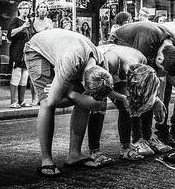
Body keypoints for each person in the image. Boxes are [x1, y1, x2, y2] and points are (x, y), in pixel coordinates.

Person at [24, 28, 120, 177]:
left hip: (68, 48)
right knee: (46, 102)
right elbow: (54, 100)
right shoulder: (70, 62)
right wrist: (77, 95)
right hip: (38, 49)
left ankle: (74, 155)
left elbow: (96, 104)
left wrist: (70, 92)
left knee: (81, 100)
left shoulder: (102, 66)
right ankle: (46, 160)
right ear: (82, 80)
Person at [108, 21, 175, 148]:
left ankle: (147, 137)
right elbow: (138, 81)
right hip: (118, 47)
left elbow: (161, 77)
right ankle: (137, 140)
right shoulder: (146, 40)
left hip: (140, 55)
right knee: (135, 96)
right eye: (162, 69)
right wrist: (154, 98)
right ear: (160, 59)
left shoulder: (174, 45)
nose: (161, 73)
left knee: (150, 94)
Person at [87, 44, 169, 164]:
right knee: (98, 107)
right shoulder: (110, 61)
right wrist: (122, 97)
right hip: (100, 73)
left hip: (121, 73)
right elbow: (99, 87)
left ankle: (126, 148)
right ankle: (94, 151)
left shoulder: (142, 63)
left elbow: (146, 85)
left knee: (127, 106)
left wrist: (155, 99)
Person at [7, 1, 33, 108]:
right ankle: (13, 101)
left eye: (27, 8)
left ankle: (21, 101)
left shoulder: (30, 21)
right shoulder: (15, 20)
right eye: (23, 8)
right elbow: (10, 34)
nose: (25, 10)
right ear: (19, 9)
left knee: (24, 77)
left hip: (26, 53)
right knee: (16, 76)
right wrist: (22, 27)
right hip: (17, 52)